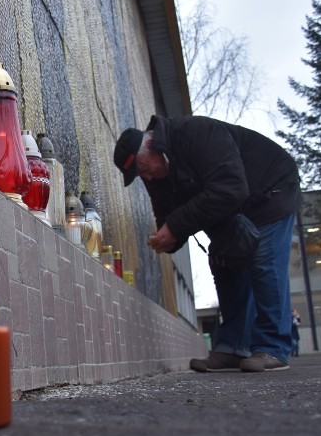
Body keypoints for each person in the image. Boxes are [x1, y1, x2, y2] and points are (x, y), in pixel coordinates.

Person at [113, 115, 301, 372]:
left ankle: (273, 347)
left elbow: (230, 187)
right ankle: (234, 347)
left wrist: (176, 227)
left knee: (263, 263)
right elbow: (166, 214)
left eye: (143, 169)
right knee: (224, 262)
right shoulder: (155, 173)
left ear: (152, 148)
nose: (146, 177)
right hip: (235, 210)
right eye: (139, 174)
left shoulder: (196, 133)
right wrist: (167, 239)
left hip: (270, 191)